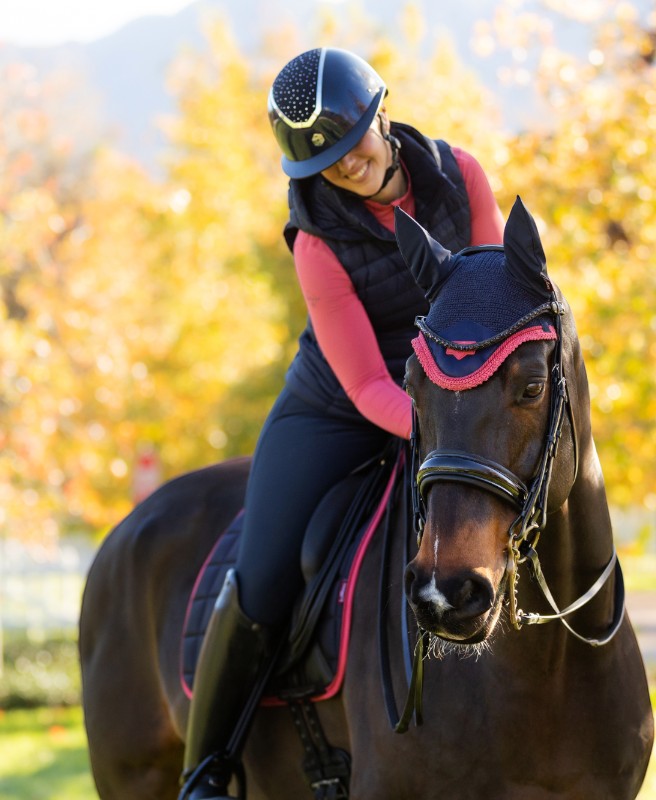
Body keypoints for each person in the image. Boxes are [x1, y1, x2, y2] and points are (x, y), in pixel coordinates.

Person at [179, 46, 505, 799]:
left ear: (380, 112)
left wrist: (470, 412)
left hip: (455, 390)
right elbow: (363, 384)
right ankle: (207, 769)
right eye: (321, 164)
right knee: (261, 574)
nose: (345, 168)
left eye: (351, 142)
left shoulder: (463, 174)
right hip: (338, 410)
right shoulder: (318, 240)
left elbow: (493, 303)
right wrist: (443, 430)